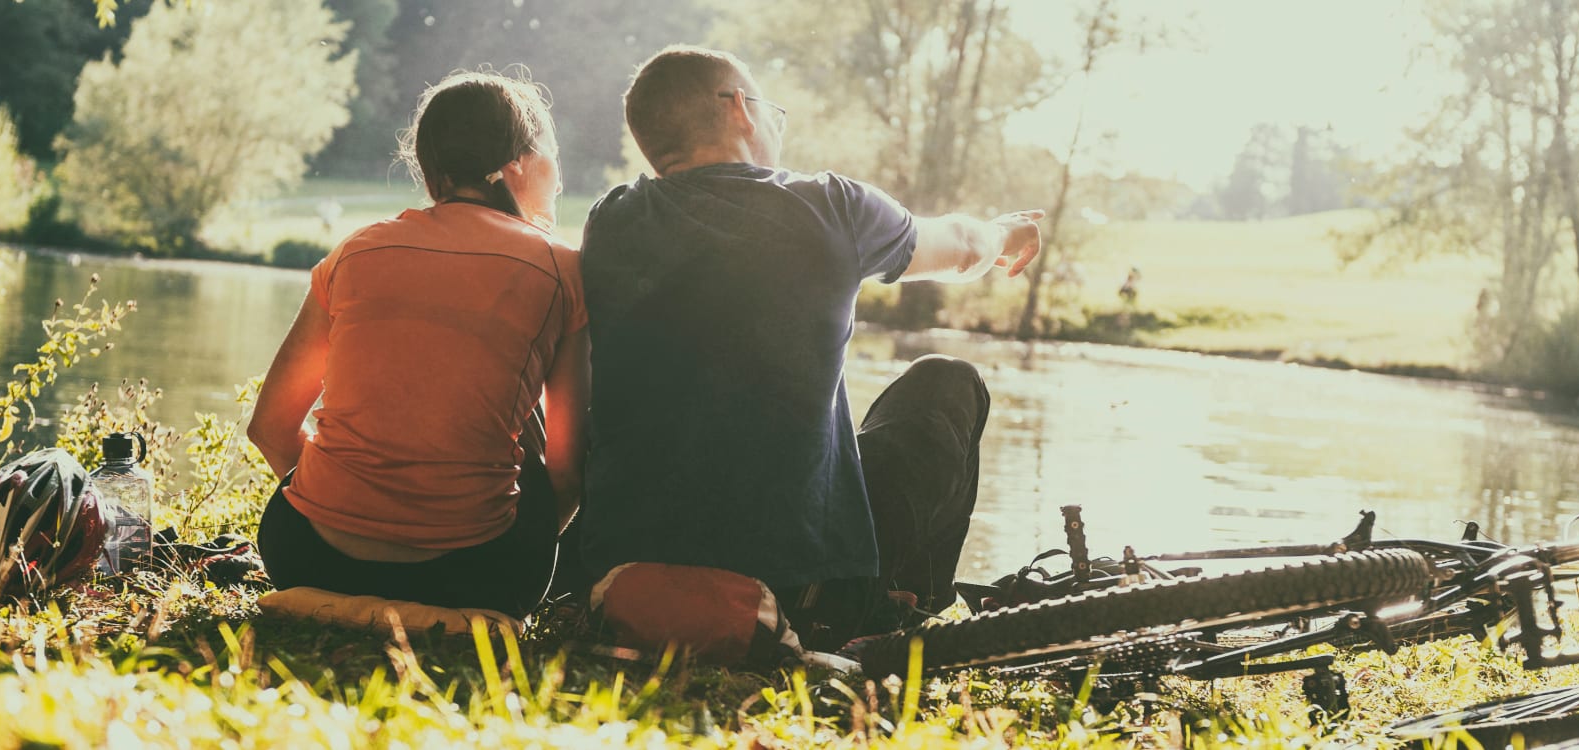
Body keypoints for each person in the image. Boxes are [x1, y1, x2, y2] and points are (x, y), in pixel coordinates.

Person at [575, 46, 1043, 649]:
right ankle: (895, 609)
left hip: (627, 578)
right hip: (800, 594)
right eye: (771, 110)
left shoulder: (610, 221)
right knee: (948, 382)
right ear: (740, 108)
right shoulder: (831, 206)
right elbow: (960, 248)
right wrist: (1005, 230)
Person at [245, 71, 588, 617]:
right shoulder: (561, 269)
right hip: (477, 579)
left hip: (305, 556)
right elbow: (569, 471)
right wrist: (524, 539)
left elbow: (268, 428)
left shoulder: (355, 252)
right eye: (552, 154)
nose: (560, 175)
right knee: (530, 426)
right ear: (517, 163)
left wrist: (345, 500)